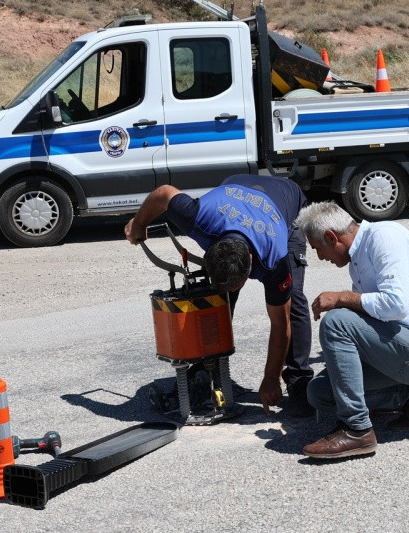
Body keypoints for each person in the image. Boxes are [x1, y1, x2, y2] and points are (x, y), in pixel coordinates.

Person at [125, 174, 313, 416]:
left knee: (293, 299)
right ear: (211, 248)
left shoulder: (273, 259)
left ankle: (298, 379)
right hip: (236, 187)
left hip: (286, 204)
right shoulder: (198, 218)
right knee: (216, 296)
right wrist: (139, 223)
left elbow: (280, 323)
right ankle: (206, 367)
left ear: (251, 262)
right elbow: (163, 193)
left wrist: (270, 378)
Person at [295, 201, 409, 460]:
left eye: (318, 248)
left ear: (331, 236)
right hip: (404, 352)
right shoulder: (357, 258)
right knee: (319, 392)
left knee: (336, 321)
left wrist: (341, 298)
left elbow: (395, 305)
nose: (320, 257)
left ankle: (356, 430)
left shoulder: (383, 236)